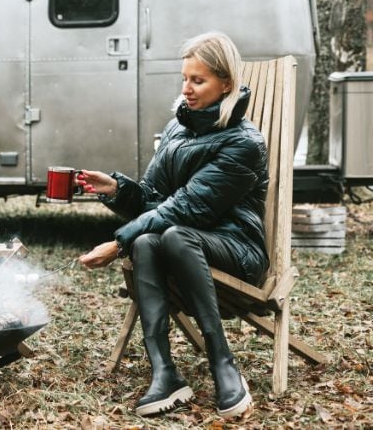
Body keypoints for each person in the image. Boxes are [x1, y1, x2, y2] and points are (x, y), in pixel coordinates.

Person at [77, 32, 266, 418]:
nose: (187, 89)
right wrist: (117, 189)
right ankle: (165, 372)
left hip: (238, 250)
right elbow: (153, 199)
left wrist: (116, 245)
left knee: (173, 234)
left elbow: (188, 208)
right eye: (185, 78)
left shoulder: (244, 143)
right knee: (148, 241)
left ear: (226, 84)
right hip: (186, 244)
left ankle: (223, 363)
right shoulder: (178, 130)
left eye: (198, 81)